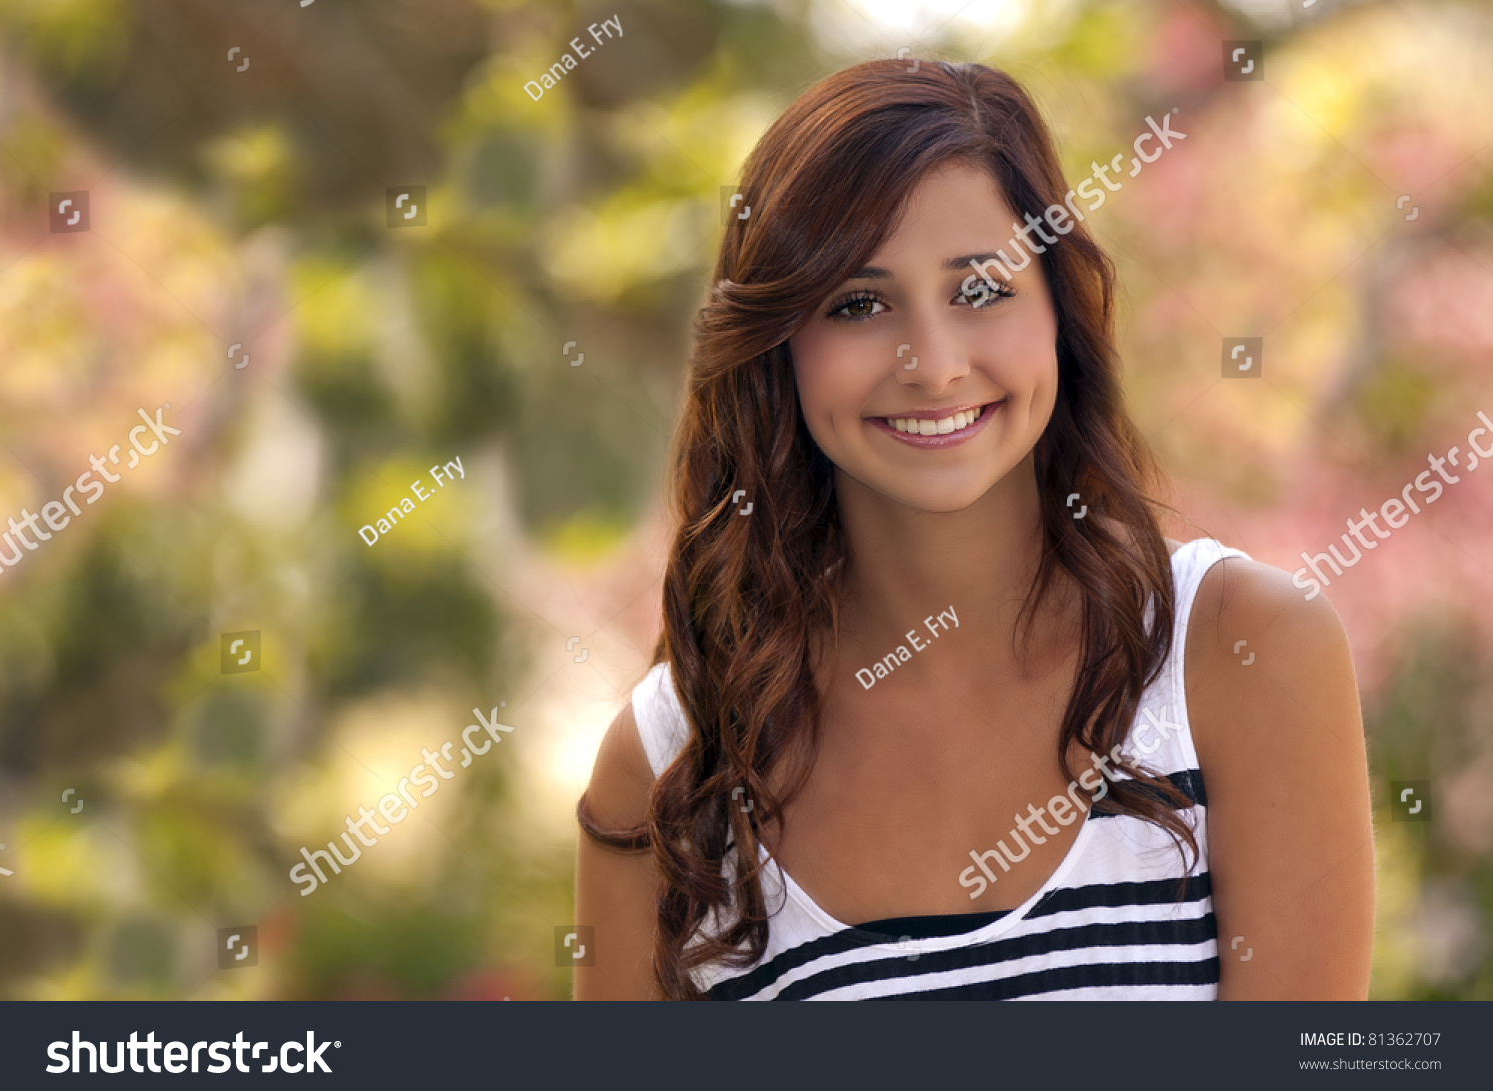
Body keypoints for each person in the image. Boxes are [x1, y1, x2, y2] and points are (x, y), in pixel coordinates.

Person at [573, 58, 1374, 1000]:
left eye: (982, 287)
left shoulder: (1244, 651)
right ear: (778, 349)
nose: (935, 365)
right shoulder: (671, 768)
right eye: (859, 303)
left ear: (1059, 310)